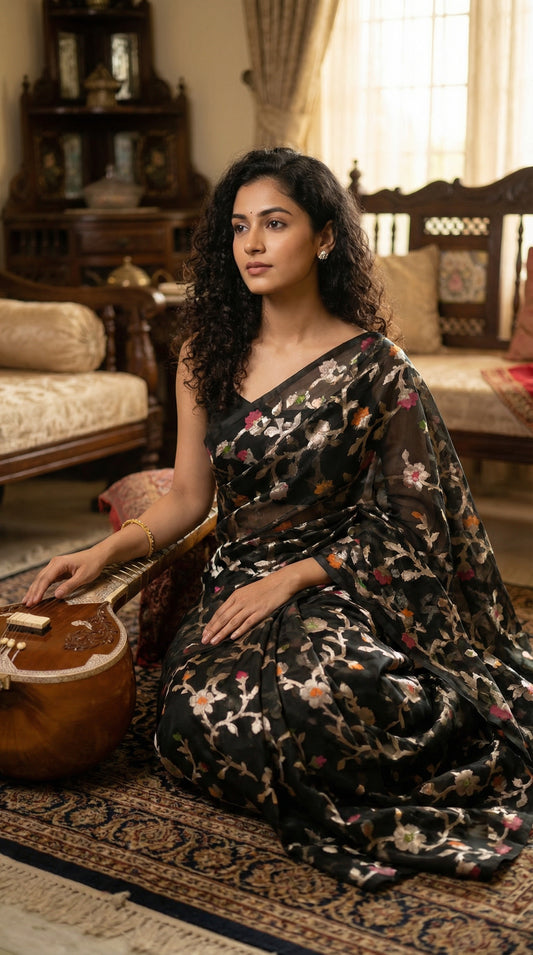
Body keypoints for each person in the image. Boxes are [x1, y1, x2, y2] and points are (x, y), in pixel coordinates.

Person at [25, 147, 533, 890]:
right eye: (239, 227)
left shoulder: (376, 366)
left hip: (342, 579)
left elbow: (416, 517)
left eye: (274, 223)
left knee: (329, 695)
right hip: (238, 584)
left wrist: (295, 577)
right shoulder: (205, 355)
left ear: (324, 237)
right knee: (191, 720)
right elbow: (189, 497)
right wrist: (105, 553)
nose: (252, 245)